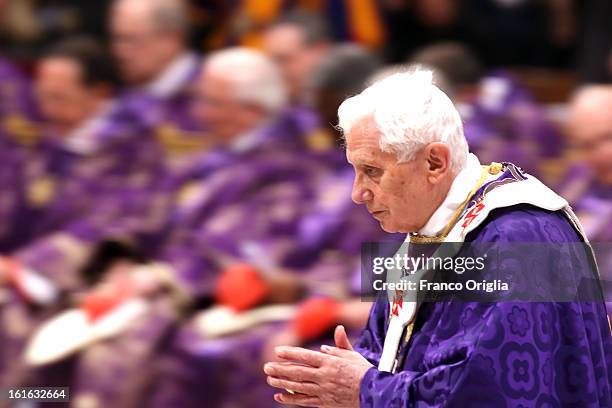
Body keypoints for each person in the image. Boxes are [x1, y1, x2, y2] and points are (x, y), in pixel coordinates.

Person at [263, 69, 612, 407]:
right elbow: (399, 356)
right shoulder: (437, 226)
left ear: (434, 162)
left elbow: (494, 395)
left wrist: (365, 389)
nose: (357, 193)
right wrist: (346, 377)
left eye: (372, 171)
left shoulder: (519, 240)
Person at [109, 0, 206, 159]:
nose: (119, 52)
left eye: (130, 40)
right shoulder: (126, 94)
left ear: (171, 40)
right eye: (116, 39)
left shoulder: (210, 96)